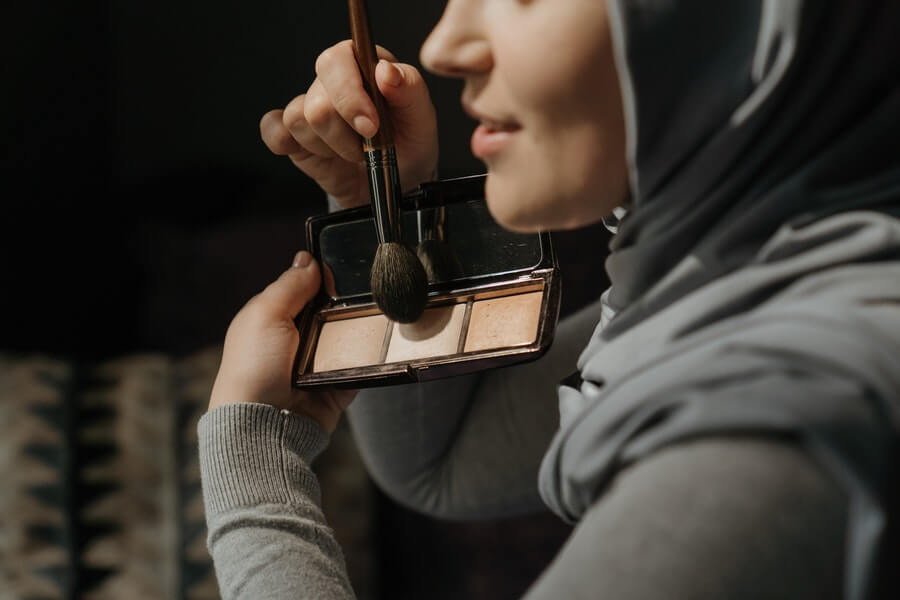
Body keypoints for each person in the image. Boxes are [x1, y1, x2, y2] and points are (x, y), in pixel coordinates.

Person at [198, 1, 900, 598]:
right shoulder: (750, 280)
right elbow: (442, 462)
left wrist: (252, 473)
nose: (445, 46)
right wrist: (387, 206)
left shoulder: (774, 439)